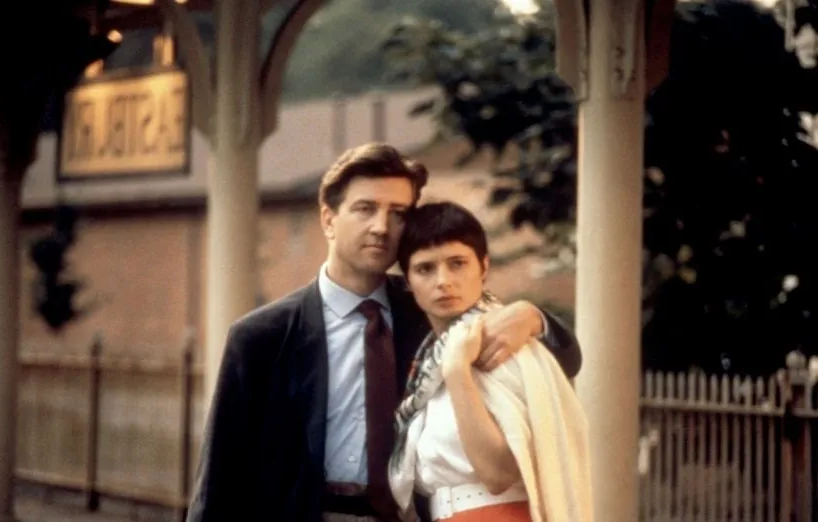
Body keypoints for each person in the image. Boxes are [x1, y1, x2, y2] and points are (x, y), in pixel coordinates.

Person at [185, 143, 582, 522]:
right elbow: (219, 481)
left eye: (398, 213)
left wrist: (535, 317)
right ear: (328, 219)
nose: (381, 227)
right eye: (365, 209)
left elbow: (563, 360)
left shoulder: (429, 312)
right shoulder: (261, 337)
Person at [388, 202, 592, 522]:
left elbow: (497, 474)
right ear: (408, 281)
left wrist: (457, 371)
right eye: (425, 269)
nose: (443, 281)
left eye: (458, 263)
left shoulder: (507, 345)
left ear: (483, 267)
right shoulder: (426, 362)